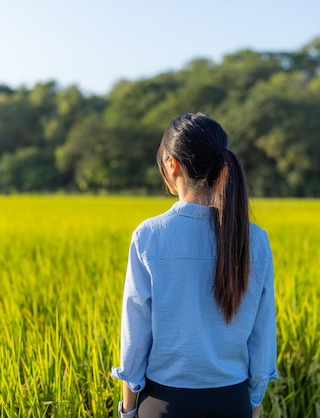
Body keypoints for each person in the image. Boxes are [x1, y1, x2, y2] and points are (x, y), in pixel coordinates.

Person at [111, 113, 278, 418]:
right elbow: (262, 334)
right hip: (233, 401)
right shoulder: (255, 239)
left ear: (172, 164)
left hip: (164, 405)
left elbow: (135, 339)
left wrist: (127, 410)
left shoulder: (149, 236)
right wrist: (252, 406)